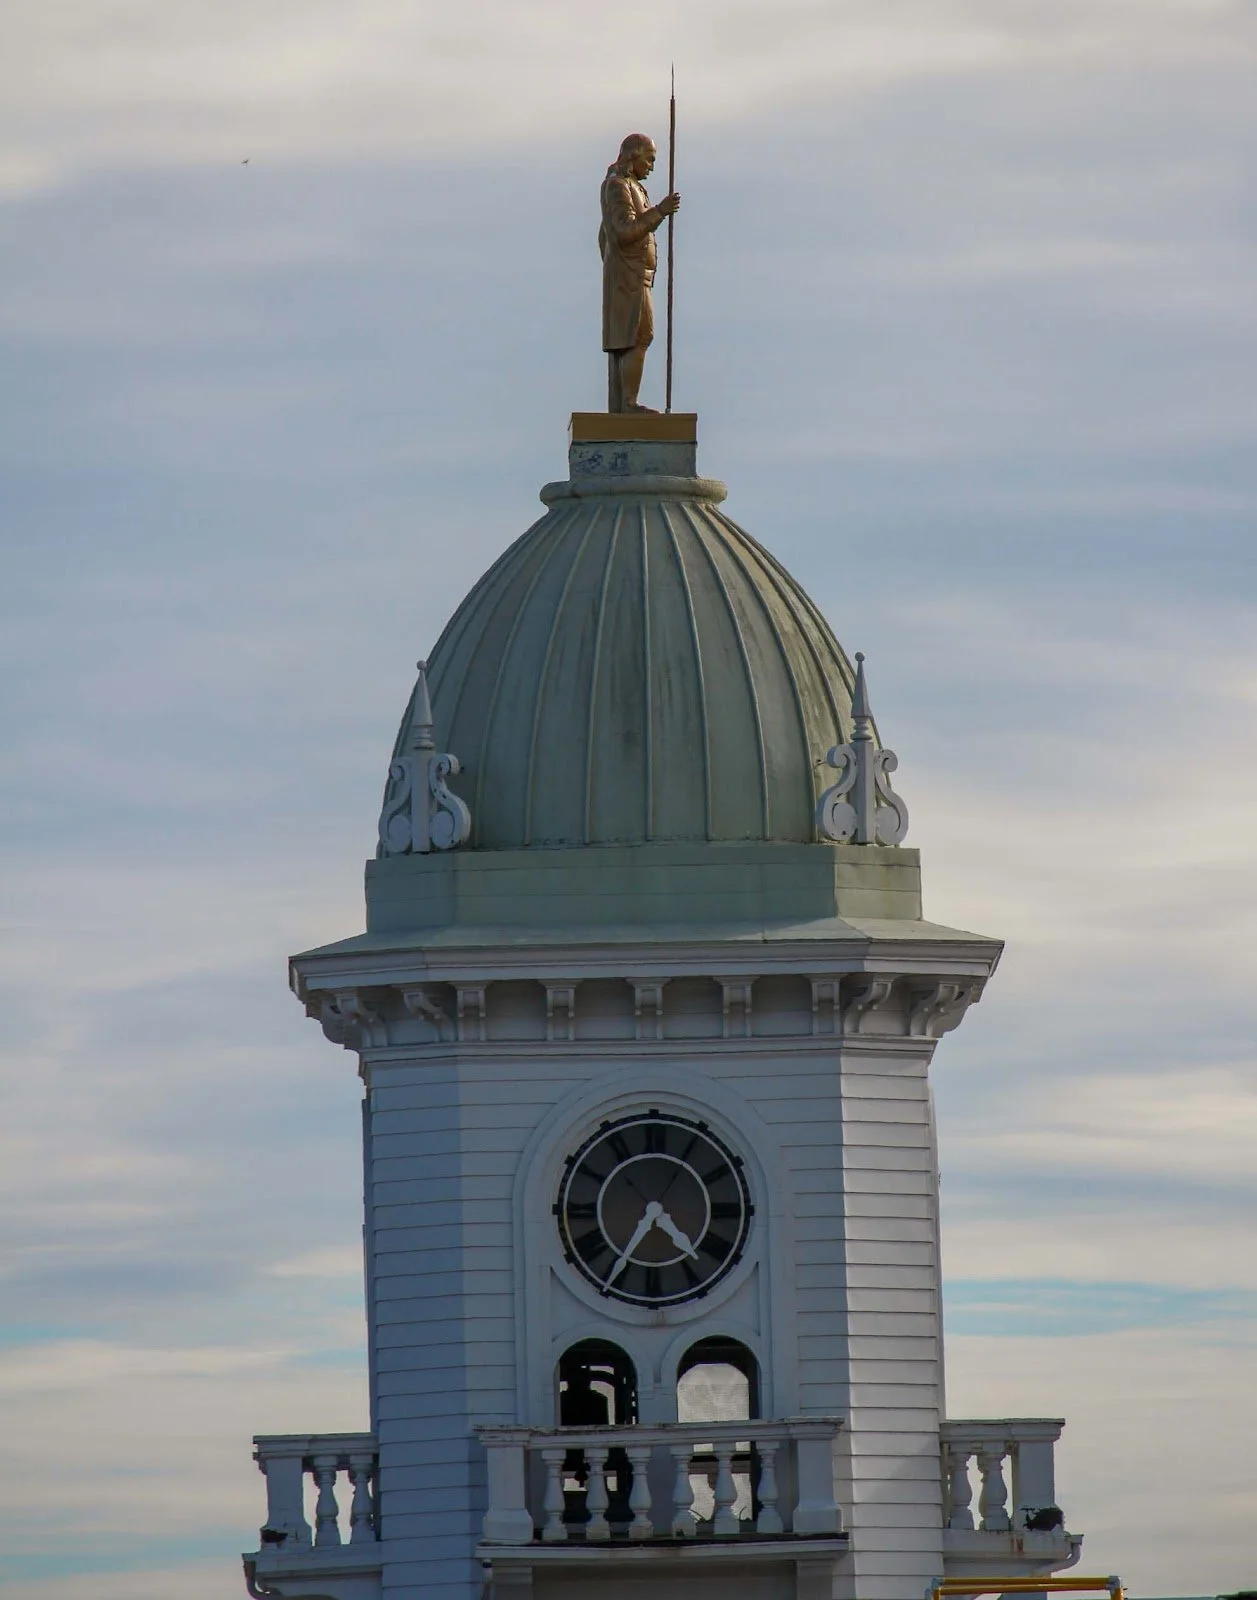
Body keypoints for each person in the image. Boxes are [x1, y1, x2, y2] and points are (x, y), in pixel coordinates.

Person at [599, 133, 680, 412]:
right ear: (633, 156)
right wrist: (659, 212)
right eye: (649, 159)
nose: (652, 167)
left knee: (636, 335)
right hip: (629, 277)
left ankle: (625, 404)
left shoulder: (633, 187)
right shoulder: (617, 186)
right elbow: (622, 231)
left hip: (635, 275)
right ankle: (628, 404)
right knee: (633, 335)